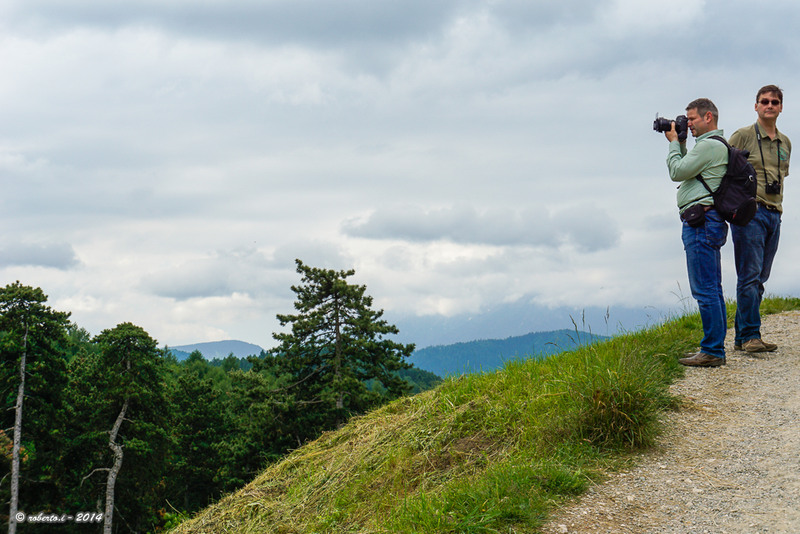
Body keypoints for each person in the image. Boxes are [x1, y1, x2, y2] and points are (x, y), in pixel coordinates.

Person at [665, 98, 729, 367]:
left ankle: (712, 350)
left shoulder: (708, 146)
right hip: (707, 221)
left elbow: (677, 171)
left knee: (704, 289)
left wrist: (673, 143)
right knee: (712, 287)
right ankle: (715, 347)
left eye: (692, 119)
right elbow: (687, 168)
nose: (688, 124)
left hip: (701, 223)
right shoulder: (713, 145)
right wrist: (681, 143)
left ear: (708, 117)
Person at [728, 85, 791, 353]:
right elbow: (723, 169)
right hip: (750, 212)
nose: (769, 105)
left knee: (760, 277)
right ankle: (752, 335)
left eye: (774, 102)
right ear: (756, 106)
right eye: (764, 101)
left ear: (781, 107)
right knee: (750, 275)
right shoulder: (742, 136)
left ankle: (742, 337)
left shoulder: (785, 142)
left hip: (775, 213)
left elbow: (782, 176)